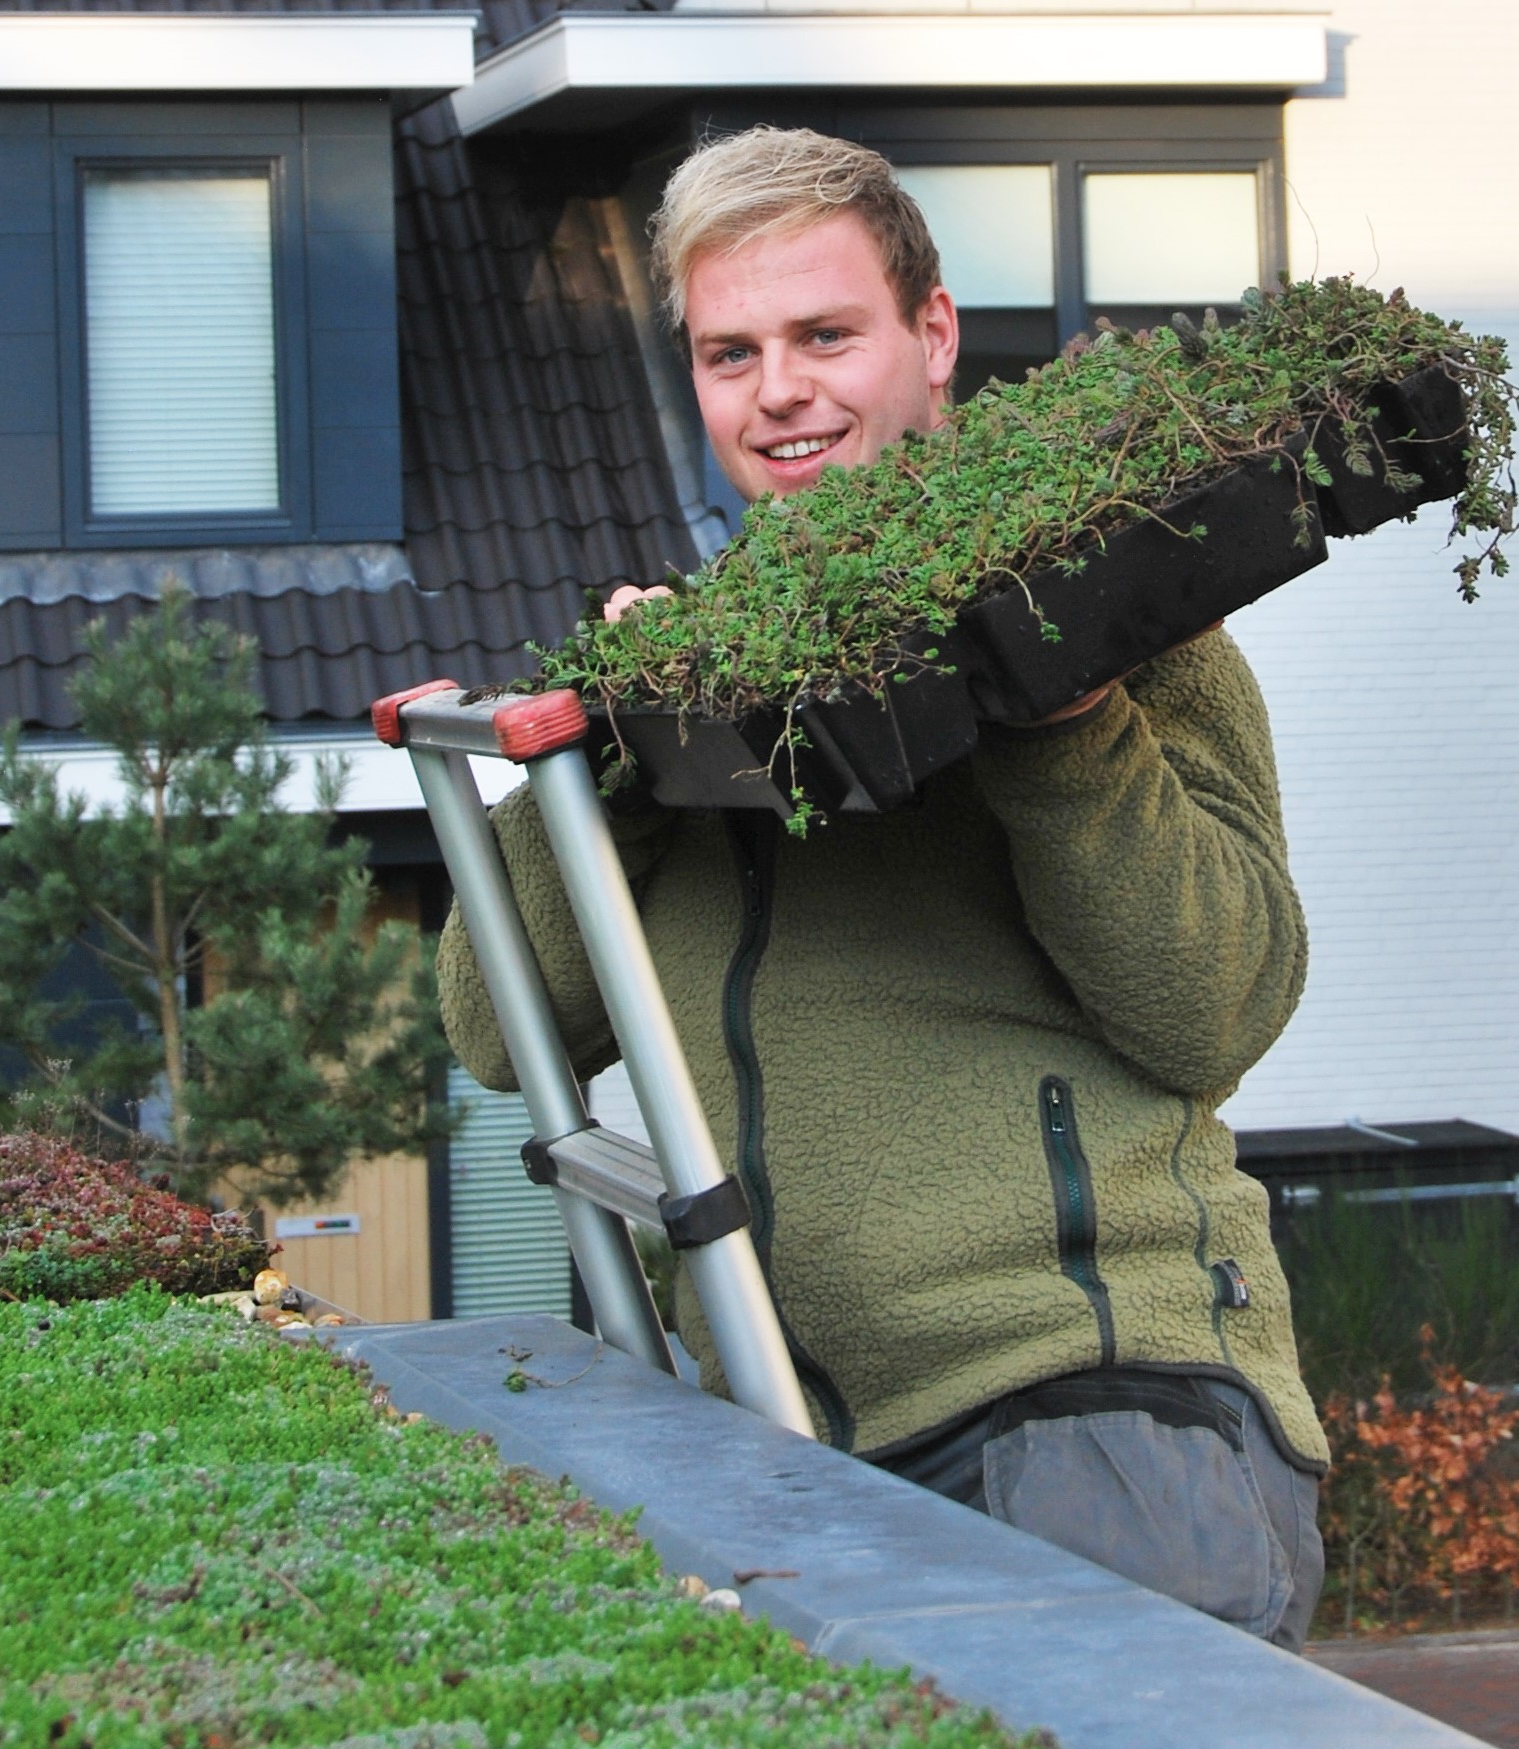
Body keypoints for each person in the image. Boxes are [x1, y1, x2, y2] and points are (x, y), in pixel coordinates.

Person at [436, 126, 1327, 1650]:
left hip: (1092, 1424)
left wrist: (1069, 716)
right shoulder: (702, 672)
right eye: (731, 352)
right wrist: (628, 747)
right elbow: (491, 1025)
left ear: (932, 337)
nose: (777, 389)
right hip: (788, 1446)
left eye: (824, 335)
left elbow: (1222, 1005)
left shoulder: (1130, 621)